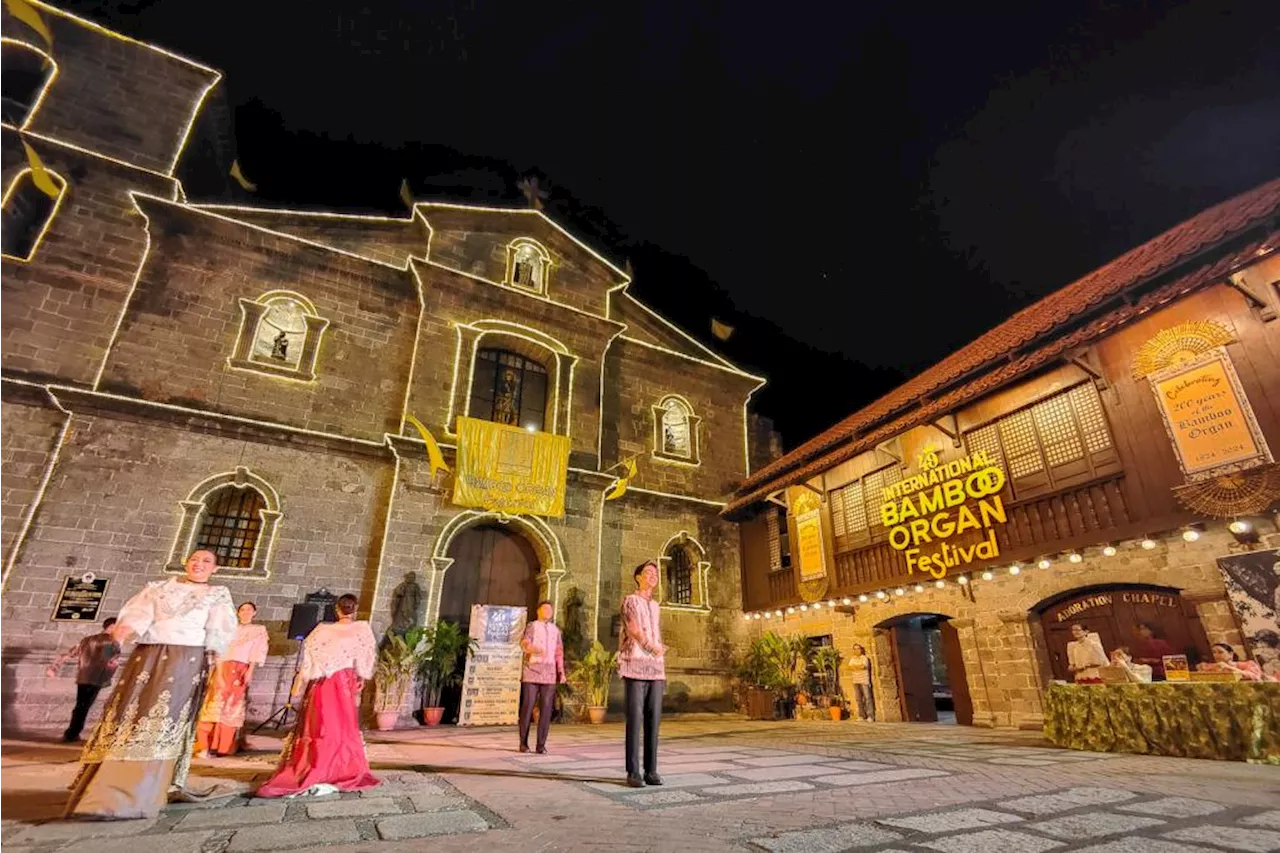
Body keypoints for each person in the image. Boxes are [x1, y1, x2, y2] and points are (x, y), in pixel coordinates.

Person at [65, 550, 237, 820]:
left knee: (166, 718)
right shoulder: (157, 588)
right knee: (131, 712)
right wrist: (112, 650)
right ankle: (106, 789)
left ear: (214, 569)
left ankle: (145, 789)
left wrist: (217, 668)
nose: (199, 564)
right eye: (195, 559)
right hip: (149, 655)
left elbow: (219, 632)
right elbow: (132, 621)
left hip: (187, 659)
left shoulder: (218, 593)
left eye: (206, 562)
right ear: (186, 561)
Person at [255, 593, 379, 798]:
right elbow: (366, 657)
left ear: (336, 609)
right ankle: (340, 767)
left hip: (323, 683)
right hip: (344, 681)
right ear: (355, 609)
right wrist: (361, 676)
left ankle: (316, 764)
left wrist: (303, 679)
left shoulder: (322, 629)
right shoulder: (361, 628)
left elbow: (309, 658)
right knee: (342, 725)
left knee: (320, 724)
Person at [195, 601, 269, 757]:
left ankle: (223, 746)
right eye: (243, 609)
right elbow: (219, 651)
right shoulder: (228, 629)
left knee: (232, 707)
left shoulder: (258, 630)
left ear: (254, 613)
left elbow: (256, 651)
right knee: (213, 705)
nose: (246, 612)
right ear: (238, 612)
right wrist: (219, 671)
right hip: (223, 667)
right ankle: (204, 745)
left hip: (241, 669)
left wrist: (250, 671)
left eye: (249, 610)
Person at [619, 561, 665, 789]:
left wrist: (659, 648)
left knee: (653, 719)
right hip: (635, 662)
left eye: (655, 573)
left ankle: (651, 770)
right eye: (648, 573)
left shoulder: (656, 606)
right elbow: (633, 630)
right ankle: (633, 771)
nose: (652, 576)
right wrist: (651, 646)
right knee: (635, 719)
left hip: (656, 666)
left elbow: (654, 630)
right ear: (638, 577)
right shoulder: (630, 601)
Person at [47, 618, 122, 743]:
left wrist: (54, 667)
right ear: (112, 626)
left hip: (83, 676)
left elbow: (69, 654)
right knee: (85, 706)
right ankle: (72, 734)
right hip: (96, 677)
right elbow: (110, 660)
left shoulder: (87, 640)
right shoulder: (112, 642)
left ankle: (71, 733)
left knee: (80, 705)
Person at [518, 600, 566, 754]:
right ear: (538, 611)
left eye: (550, 610)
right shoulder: (532, 626)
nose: (547, 612)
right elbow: (524, 643)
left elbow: (559, 652)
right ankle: (523, 743)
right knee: (528, 706)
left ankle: (541, 745)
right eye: (544, 609)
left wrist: (561, 672)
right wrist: (533, 648)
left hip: (549, 672)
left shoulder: (555, 630)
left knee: (546, 709)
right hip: (532, 670)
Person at [1197, 643, 1266, 682]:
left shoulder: (1248, 664)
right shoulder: (1212, 667)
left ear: (1230, 654)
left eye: (1220, 652)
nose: (1216, 655)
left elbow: (1255, 677)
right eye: (1214, 652)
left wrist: (1229, 667)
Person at [848, 643, 874, 721]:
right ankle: (861, 716)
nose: (857, 650)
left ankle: (870, 716)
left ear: (861, 650)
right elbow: (850, 667)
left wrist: (856, 667)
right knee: (859, 699)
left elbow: (863, 666)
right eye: (855, 649)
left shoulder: (864, 658)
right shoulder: (852, 659)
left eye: (858, 648)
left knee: (867, 698)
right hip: (856, 681)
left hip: (864, 681)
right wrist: (858, 667)